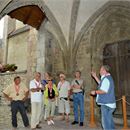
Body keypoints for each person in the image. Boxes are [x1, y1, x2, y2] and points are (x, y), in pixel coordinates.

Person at [91, 65, 116, 130]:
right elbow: (101, 84)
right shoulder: (107, 78)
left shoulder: (106, 79)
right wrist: (95, 76)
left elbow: (103, 91)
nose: (99, 71)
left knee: (106, 124)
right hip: (109, 103)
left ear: (104, 71)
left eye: (101, 69)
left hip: (106, 104)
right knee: (109, 121)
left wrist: (95, 92)